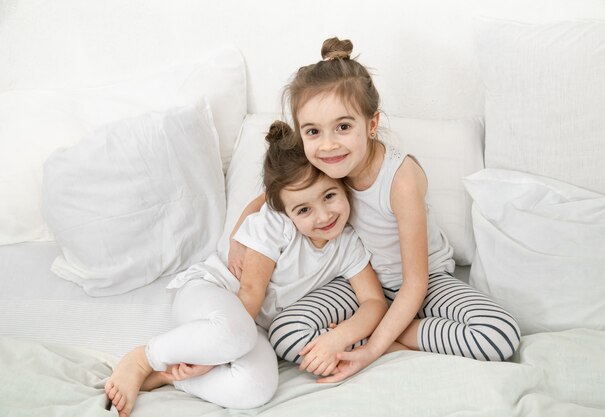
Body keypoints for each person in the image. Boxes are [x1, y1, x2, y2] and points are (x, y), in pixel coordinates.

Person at [229, 37, 521, 383]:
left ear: (370, 125)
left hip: (423, 284)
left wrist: (369, 348)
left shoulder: (400, 180)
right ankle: (378, 333)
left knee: (498, 335)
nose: (328, 143)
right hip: (358, 287)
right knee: (283, 333)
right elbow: (272, 195)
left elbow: (415, 282)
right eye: (313, 131)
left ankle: (391, 339)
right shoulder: (324, 163)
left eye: (343, 126)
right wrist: (238, 238)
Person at [105, 120, 388, 417]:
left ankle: (170, 378)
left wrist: (339, 338)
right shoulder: (276, 225)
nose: (324, 215)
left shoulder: (348, 243)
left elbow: (373, 301)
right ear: (284, 210)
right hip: (212, 294)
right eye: (304, 209)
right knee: (236, 332)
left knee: (257, 388)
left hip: (252, 328)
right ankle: (144, 358)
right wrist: (216, 357)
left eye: (329, 195)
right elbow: (250, 294)